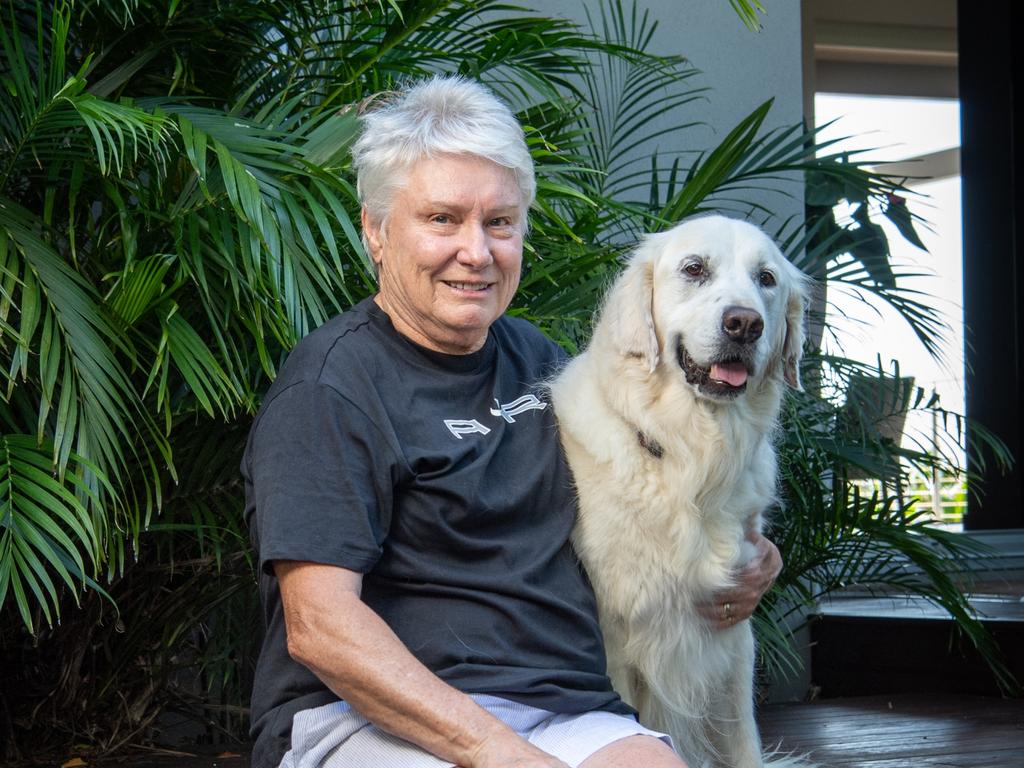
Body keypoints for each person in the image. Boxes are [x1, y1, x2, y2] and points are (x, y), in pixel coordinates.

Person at [241, 75, 783, 768]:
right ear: (375, 231)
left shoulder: (543, 363)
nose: (477, 252)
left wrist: (754, 560)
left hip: (561, 708)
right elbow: (320, 627)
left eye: (500, 222)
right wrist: (500, 755)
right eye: (442, 219)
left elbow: (662, 506)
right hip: (368, 721)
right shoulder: (332, 389)